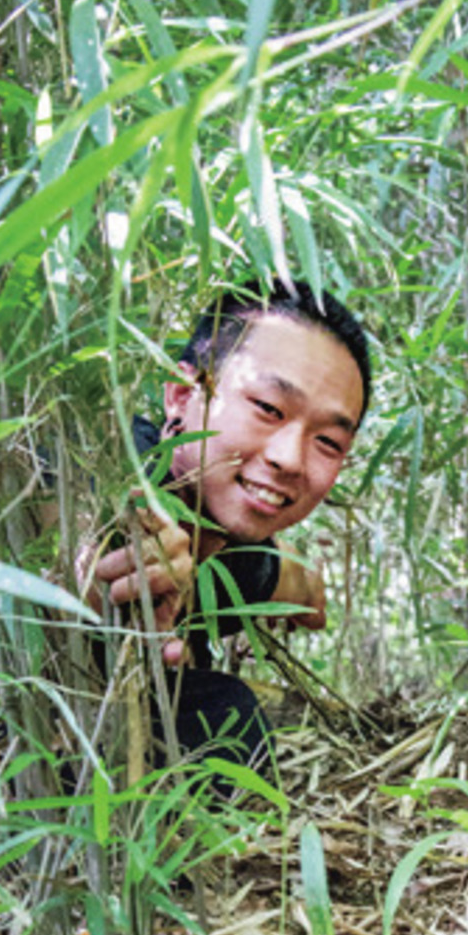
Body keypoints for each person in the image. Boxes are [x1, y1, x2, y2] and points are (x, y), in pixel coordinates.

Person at [86, 278, 371, 769]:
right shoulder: (107, 460)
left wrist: (304, 592)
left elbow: (292, 581)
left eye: (327, 442)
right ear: (179, 394)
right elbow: (72, 527)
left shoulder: (244, 554)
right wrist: (103, 574)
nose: (289, 459)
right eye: (267, 408)